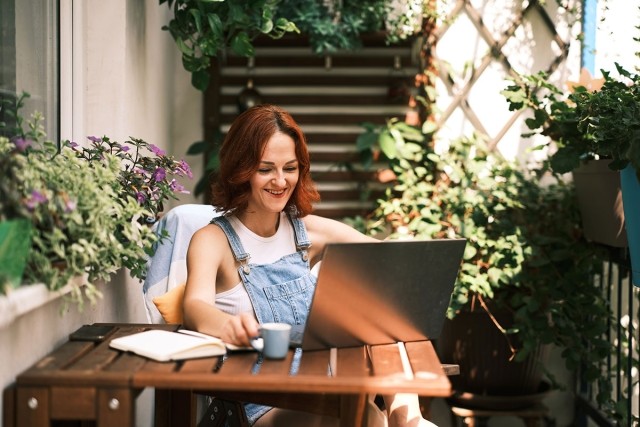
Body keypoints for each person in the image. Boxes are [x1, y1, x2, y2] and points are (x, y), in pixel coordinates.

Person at [183, 104, 437, 427]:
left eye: (290, 168)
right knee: (367, 417)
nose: (280, 180)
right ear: (241, 169)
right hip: (261, 404)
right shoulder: (213, 240)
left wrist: (406, 248)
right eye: (266, 169)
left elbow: (381, 258)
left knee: (377, 317)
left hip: (325, 386)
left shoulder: (306, 231)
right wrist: (225, 326)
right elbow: (194, 305)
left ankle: (409, 420)